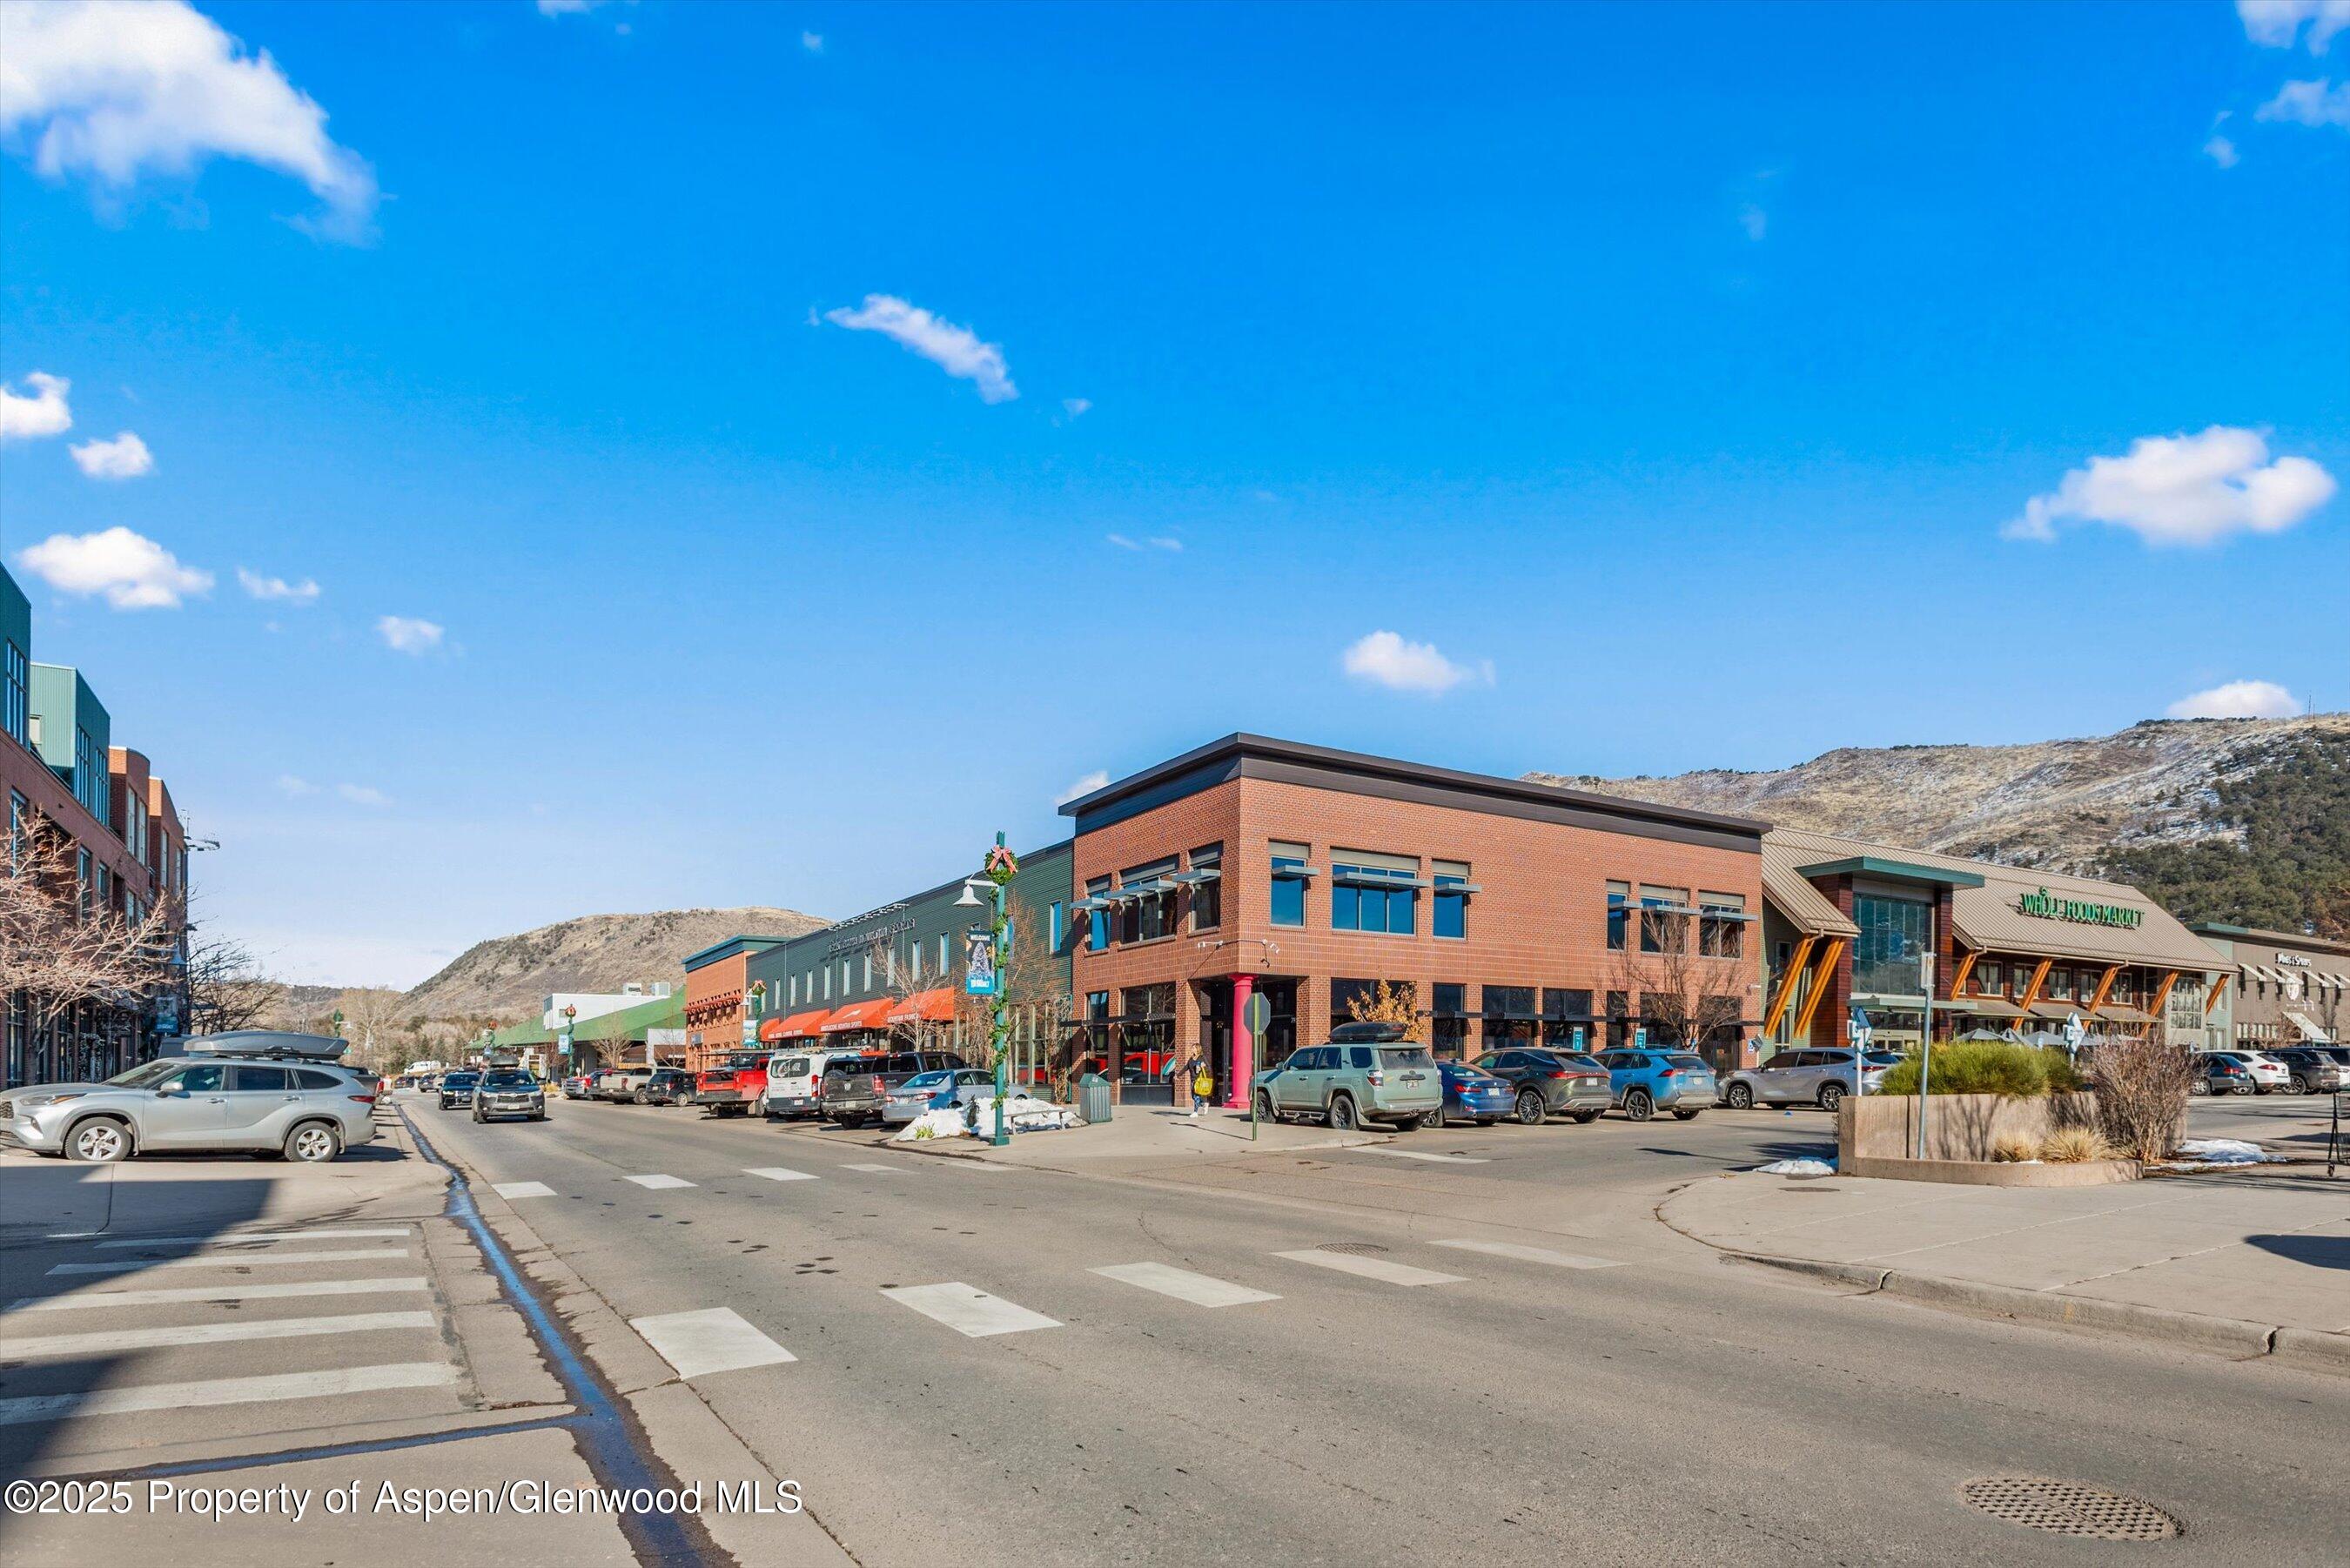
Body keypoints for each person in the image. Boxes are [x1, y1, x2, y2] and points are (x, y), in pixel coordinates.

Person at [1188, 1053, 1214, 1118]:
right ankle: (1204, 1104)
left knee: (1196, 1096)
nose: (1192, 1049)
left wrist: (1203, 1067)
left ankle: (1195, 1112)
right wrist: (1178, 1075)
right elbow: (1186, 1067)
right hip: (1193, 1080)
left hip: (1199, 1080)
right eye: (1192, 1048)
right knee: (1193, 1097)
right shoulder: (1191, 1059)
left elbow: (1209, 1068)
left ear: (1198, 1049)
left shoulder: (1202, 1058)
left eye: (1194, 1048)